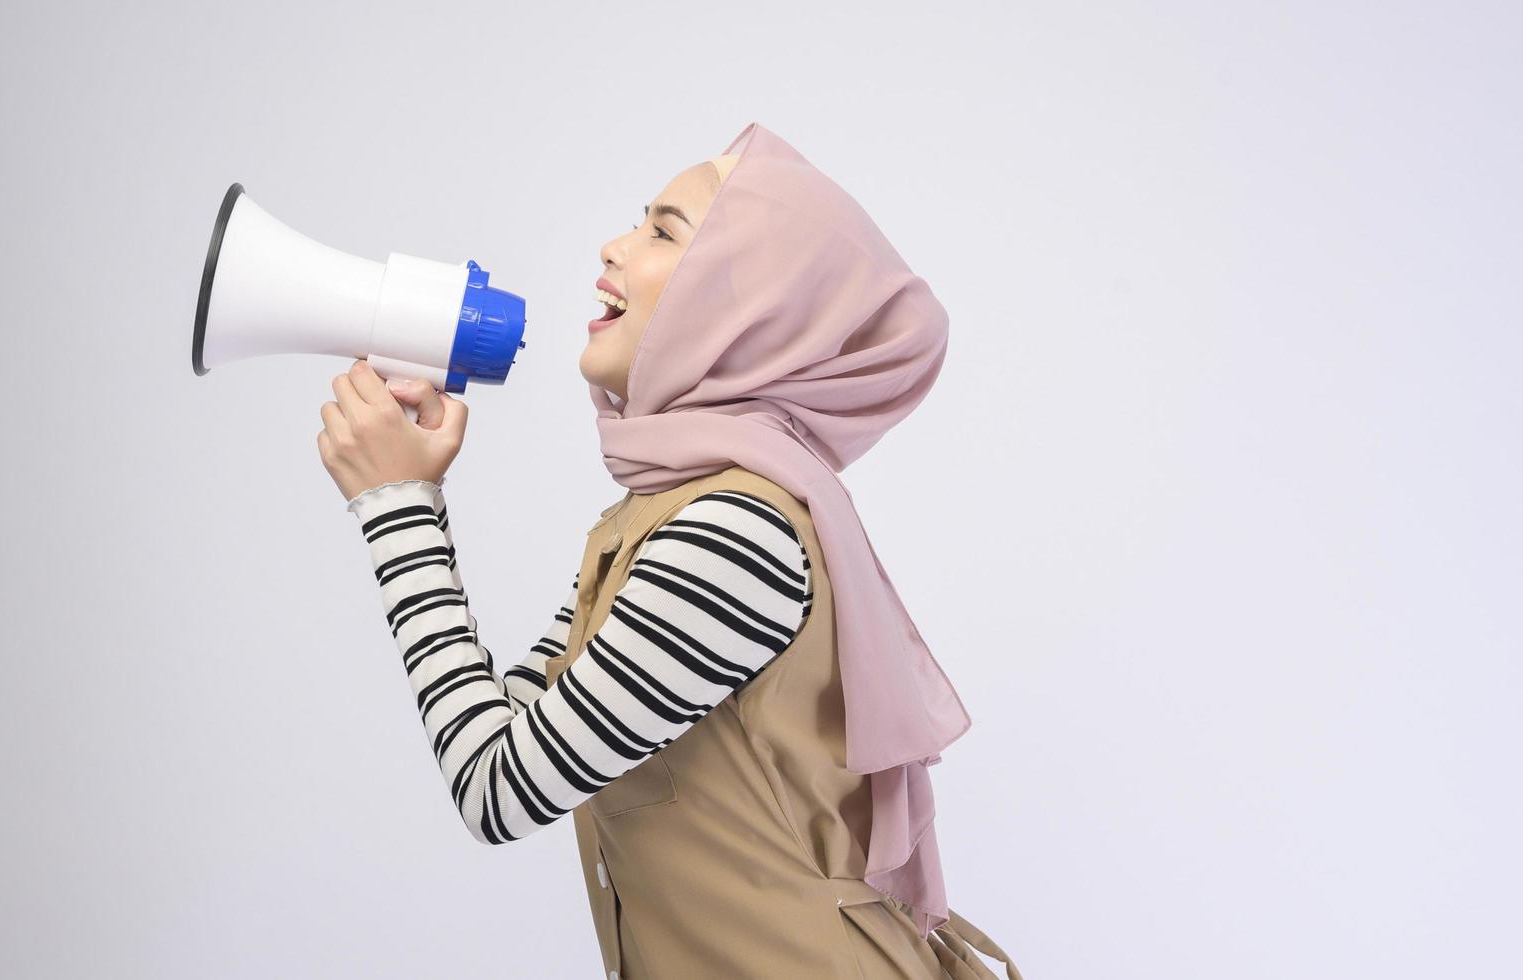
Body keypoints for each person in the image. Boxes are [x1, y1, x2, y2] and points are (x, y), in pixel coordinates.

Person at [318, 122, 1021, 979]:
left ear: (742, 301)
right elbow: (516, 727)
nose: (614, 247)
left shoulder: (736, 536)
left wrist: (396, 505)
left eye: (662, 230)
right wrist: (408, 492)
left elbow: (497, 791)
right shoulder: (663, 516)